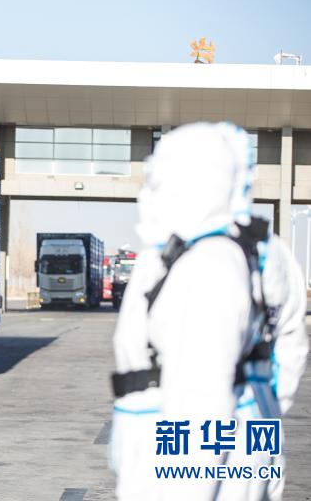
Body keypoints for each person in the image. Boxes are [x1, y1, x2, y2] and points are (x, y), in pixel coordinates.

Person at [109, 122, 307, 500]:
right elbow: (289, 355)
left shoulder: (206, 267)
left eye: (158, 178)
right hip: (248, 445)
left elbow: (202, 401)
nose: (149, 191)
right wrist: (256, 410)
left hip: (191, 470)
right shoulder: (266, 253)